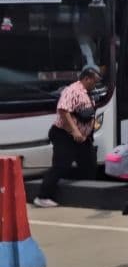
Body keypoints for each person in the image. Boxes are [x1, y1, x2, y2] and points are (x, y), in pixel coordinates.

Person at [34, 66, 102, 208]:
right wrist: (75, 131)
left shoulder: (88, 93)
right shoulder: (72, 90)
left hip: (82, 138)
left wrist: (87, 131)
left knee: (89, 164)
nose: (95, 85)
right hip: (64, 134)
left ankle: (86, 195)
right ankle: (42, 196)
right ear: (87, 78)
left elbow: (86, 114)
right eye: (94, 81)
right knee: (61, 165)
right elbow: (63, 110)